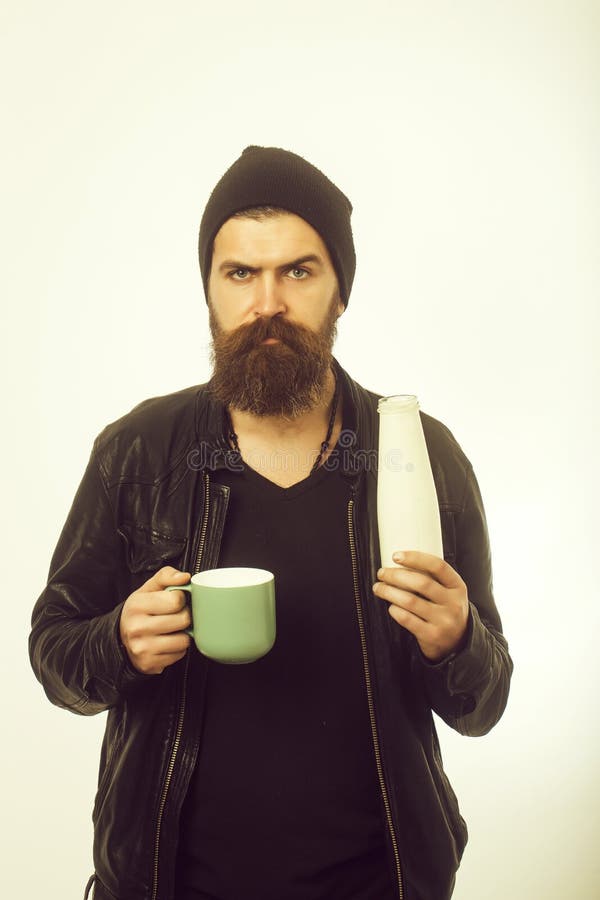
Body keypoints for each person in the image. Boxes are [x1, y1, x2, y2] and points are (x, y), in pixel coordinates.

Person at [29, 145, 513, 900]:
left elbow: (483, 706)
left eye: (298, 270)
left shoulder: (419, 454)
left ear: (339, 292)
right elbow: (55, 650)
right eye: (240, 274)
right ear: (211, 292)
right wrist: (117, 640)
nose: (268, 303)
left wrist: (457, 642)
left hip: (379, 884)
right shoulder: (137, 449)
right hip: (169, 883)